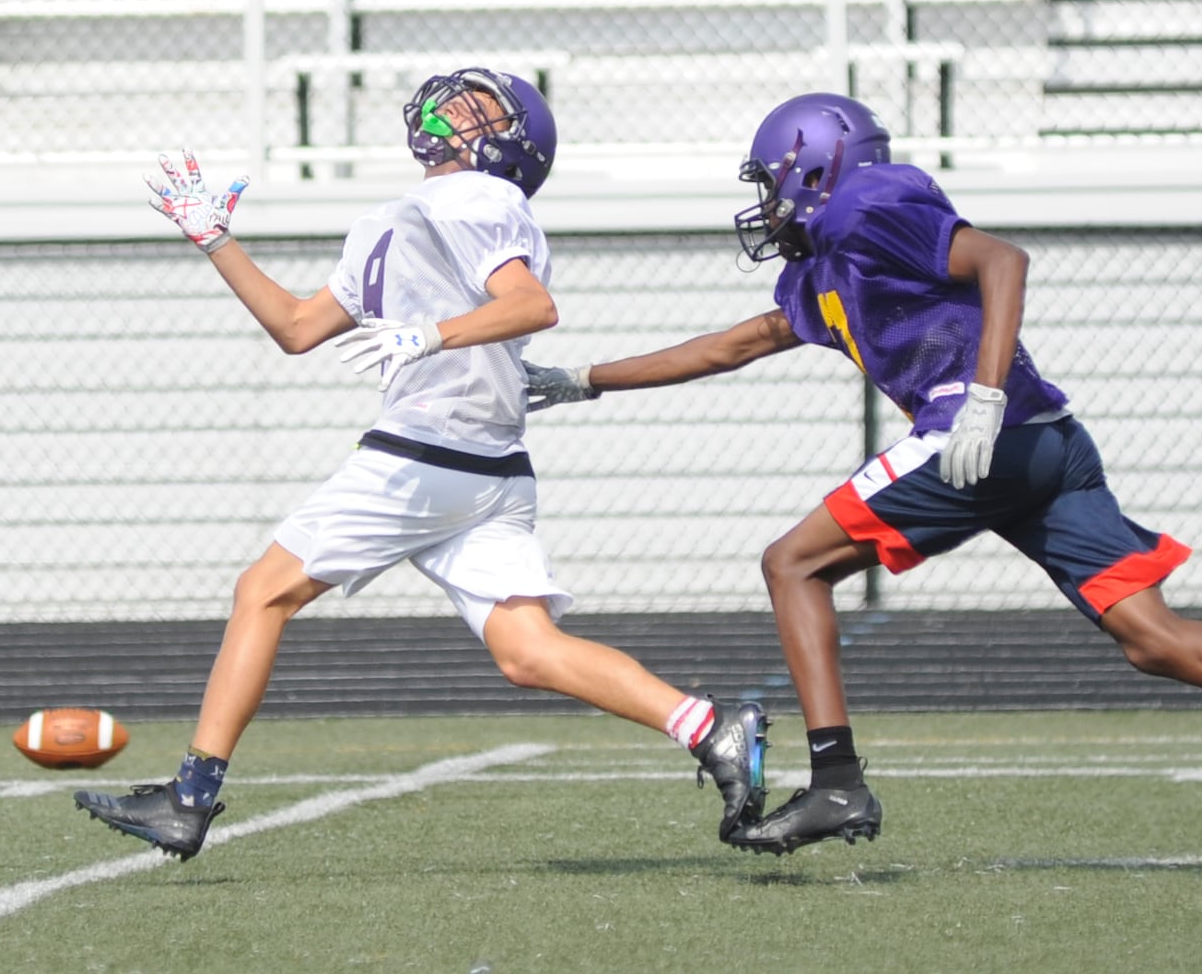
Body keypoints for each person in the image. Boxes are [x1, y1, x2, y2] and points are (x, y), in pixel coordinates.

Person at [524, 91, 1202, 856]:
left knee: (790, 563)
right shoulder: (822, 269)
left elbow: (1001, 259)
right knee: (1151, 639)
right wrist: (583, 380)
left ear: (815, 165)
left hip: (984, 430)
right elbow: (735, 345)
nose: (765, 205)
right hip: (1047, 444)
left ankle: (836, 780)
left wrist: (984, 397)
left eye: (771, 183)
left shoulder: (864, 205)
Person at [72, 67, 768, 861]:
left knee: (261, 591)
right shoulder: (397, 217)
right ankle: (709, 727)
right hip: (487, 467)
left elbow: (532, 306)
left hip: (430, 451)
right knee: (527, 651)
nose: (455, 107)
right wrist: (215, 241)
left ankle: (189, 798)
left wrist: (427, 335)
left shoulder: (479, 196)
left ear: (505, 145)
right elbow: (298, 328)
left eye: (481, 108)